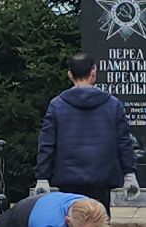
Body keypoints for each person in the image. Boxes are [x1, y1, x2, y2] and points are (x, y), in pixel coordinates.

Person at [35, 52, 140, 218]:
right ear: (93, 72)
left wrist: (42, 177)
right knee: (101, 225)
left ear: (70, 74)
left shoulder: (57, 105)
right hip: (102, 176)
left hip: (68, 177)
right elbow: (123, 142)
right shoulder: (112, 104)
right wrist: (129, 174)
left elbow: (47, 143)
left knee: (72, 226)